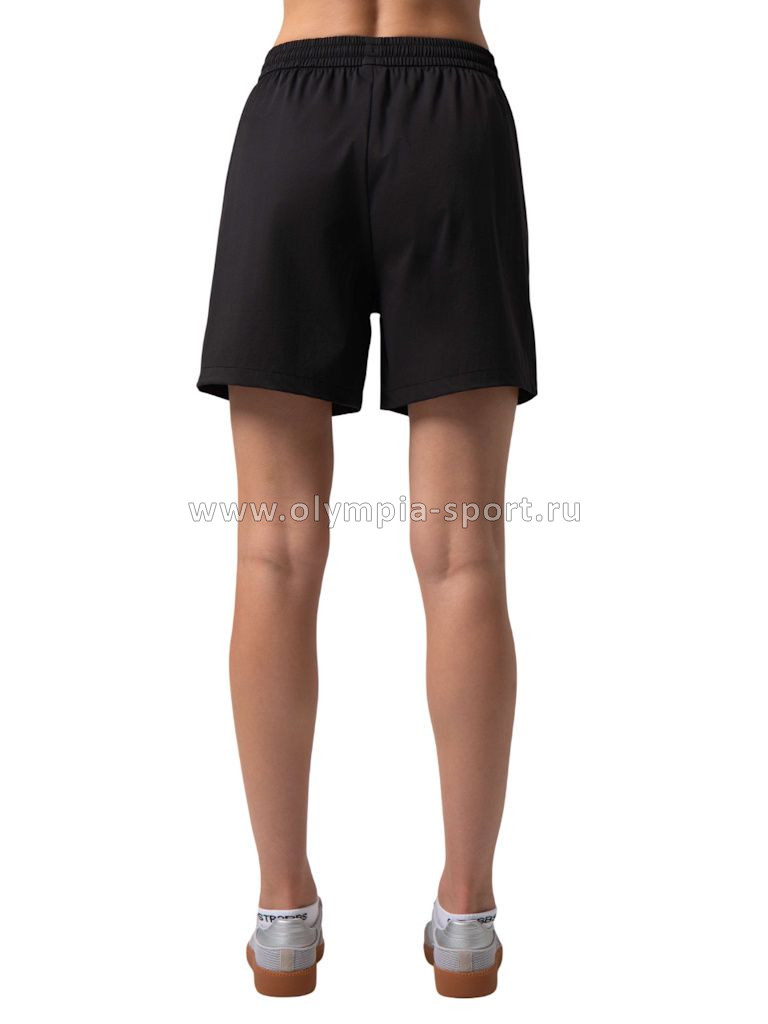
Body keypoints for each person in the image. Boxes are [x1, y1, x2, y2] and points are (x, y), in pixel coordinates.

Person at [197, 0, 536, 999]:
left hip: (297, 111)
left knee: (272, 553)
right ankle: (467, 920)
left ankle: (283, 918)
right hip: (452, 110)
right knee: (463, 554)